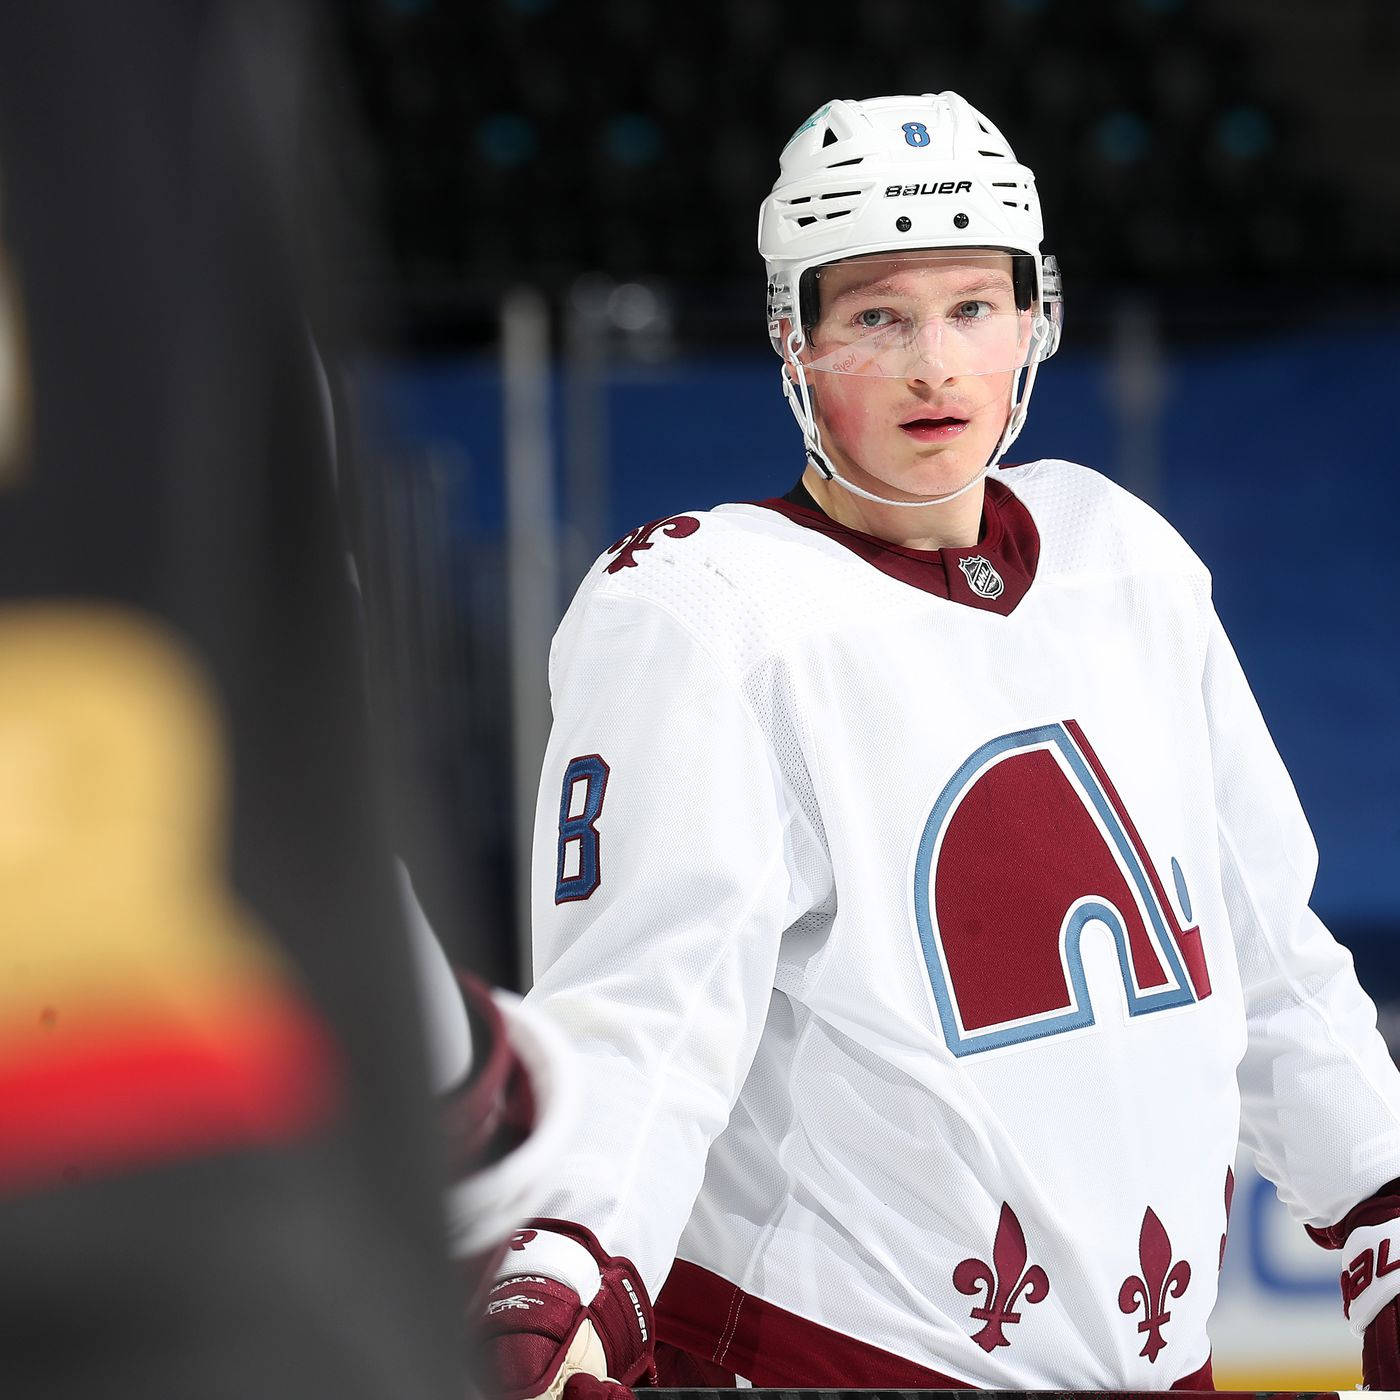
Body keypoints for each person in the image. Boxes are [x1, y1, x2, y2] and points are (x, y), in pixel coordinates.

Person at [483, 92, 1400, 1391]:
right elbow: (644, 1016)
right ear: (793, 340)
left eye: (974, 307)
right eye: (876, 316)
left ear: (1038, 317)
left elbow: (1264, 954)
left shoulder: (1122, 560)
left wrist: (1380, 1197)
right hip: (833, 1363)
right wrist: (566, 1256)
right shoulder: (705, 612)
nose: (936, 365)